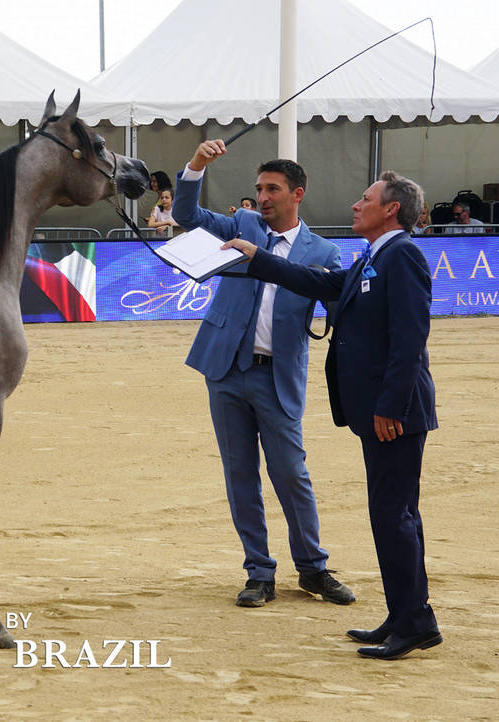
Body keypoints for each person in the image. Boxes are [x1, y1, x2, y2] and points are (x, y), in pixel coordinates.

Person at [223, 171, 441, 661]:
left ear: (391, 209)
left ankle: (413, 621)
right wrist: (260, 258)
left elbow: (410, 337)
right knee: (394, 516)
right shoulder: (374, 255)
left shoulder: (402, 255)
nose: (355, 205)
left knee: (395, 517)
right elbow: (322, 282)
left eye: (365, 198)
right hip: (381, 411)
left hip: (394, 413)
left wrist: (391, 406)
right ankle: (407, 615)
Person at [171, 139, 354, 608]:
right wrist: (197, 165)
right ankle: (259, 572)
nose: (263, 197)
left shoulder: (324, 251)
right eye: (259, 189)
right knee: (240, 475)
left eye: (272, 189)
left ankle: (312, 568)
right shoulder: (244, 223)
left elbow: (341, 308)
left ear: (297, 194)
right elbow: (186, 215)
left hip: (278, 376)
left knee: (291, 474)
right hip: (225, 369)